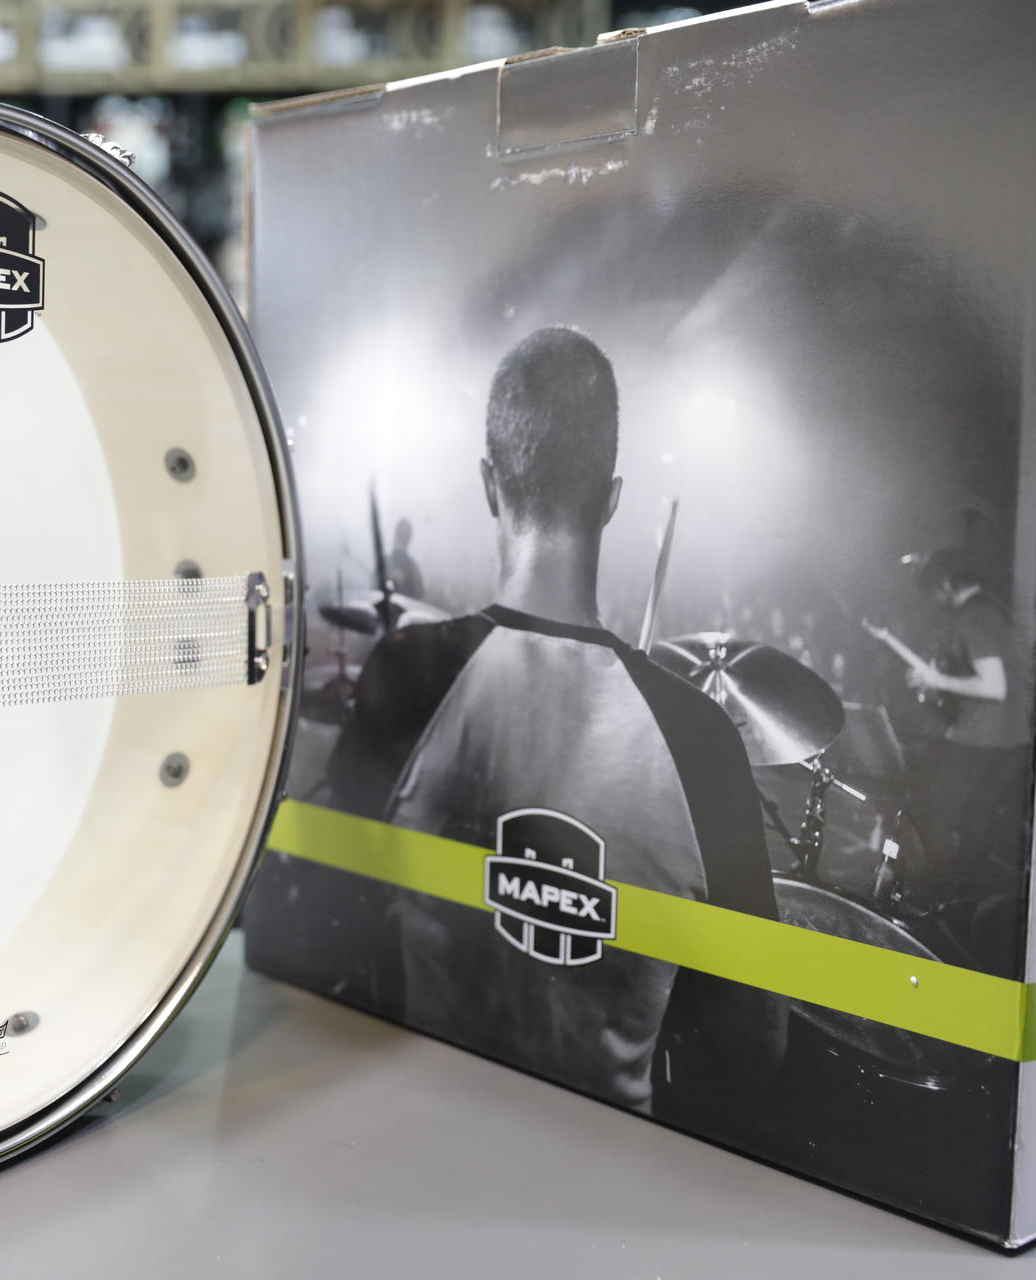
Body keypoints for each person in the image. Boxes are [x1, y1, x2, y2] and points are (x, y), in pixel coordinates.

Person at [327, 327, 784, 1120]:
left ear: (489, 485)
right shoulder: (701, 740)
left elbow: (338, 915)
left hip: (418, 1138)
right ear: (611, 499)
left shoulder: (406, 678)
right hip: (609, 1174)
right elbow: (755, 1046)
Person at [901, 547, 1035, 971]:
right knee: (975, 822)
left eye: (934, 588)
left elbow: (994, 687)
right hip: (1008, 739)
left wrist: (936, 679)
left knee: (931, 807)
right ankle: (961, 910)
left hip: (986, 739)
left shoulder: (973, 618)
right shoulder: (991, 612)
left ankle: (941, 899)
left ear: (946, 583)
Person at [385, 517, 426, 601]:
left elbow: (419, 593)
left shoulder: (384, 563)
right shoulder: (413, 567)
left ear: (395, 536)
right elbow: (420, 593)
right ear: (409, 540)